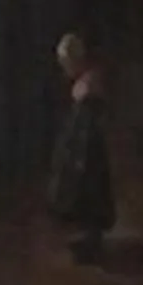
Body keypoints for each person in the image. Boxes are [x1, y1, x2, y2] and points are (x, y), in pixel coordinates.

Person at [46, 30, 115, 264]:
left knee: (89, 191)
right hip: (81, 146)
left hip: (88, 149)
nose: (65, 70)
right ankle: (87, 239)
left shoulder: (89, 85)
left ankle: (92, 241)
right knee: (82, 194)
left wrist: (75, 152)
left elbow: (88, 123)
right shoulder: (82, 83)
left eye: (66, 64)